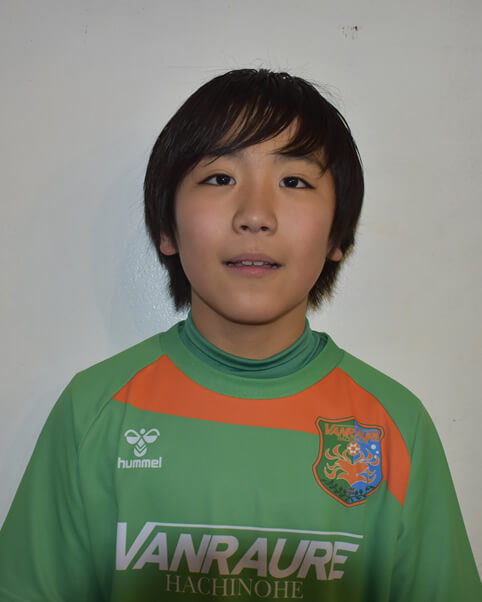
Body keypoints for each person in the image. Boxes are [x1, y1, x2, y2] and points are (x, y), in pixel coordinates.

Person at [0, 69, 479, 601]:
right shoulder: (93, 412)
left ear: (338, 235)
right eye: (219, 178)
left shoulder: (394, 428)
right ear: (166, 228)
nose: (255, 215)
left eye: (294, 182)